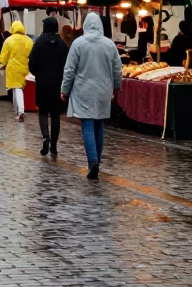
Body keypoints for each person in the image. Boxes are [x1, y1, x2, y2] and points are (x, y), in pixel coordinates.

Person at [61, 11, 122, 180]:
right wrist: (117, 85)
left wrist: (64, 89)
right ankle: (97, 161)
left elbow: (69, 70)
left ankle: (92, 161)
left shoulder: (78, 44)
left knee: (87, 124)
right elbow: (118, 68)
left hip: (84, 90)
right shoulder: (109, 44)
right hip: (104, 90)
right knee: (99, 124)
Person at [28, 16, 69, 156]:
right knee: (56, 114)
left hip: (43, 82)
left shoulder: (38, 43)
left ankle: (45, 136)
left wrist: (39, 74)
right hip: (57, 83)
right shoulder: (62, 44)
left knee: (43, 112)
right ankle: (54, 146)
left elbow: (32, 64)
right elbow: (67, 65)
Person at [0, 20, 32, 121]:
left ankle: (20, 111)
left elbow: (4, 56)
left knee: (16, 88)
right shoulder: (29, 40)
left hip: (12, 68)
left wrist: (1, 65)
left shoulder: (9, 40)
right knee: (17, 88)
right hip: (24, 67)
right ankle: (17, 111)